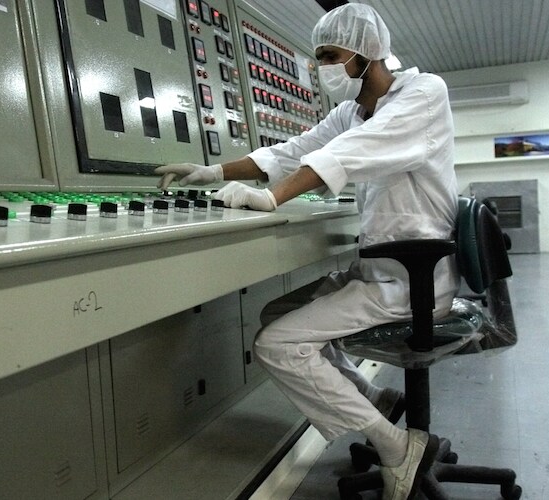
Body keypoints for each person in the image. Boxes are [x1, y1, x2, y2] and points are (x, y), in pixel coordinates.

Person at [155, 3, 459, 498]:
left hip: (413, 280)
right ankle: (373, 400)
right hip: (380, 270)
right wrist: (212, 171)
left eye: (331, 56)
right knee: (277, 312)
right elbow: (293, 152)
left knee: (276, 345)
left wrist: (272, 198)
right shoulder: (351, 112)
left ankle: (397, 446)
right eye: (319, 58)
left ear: (368, 53)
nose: (323, 68)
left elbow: (345, 154)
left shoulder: (423, 94)